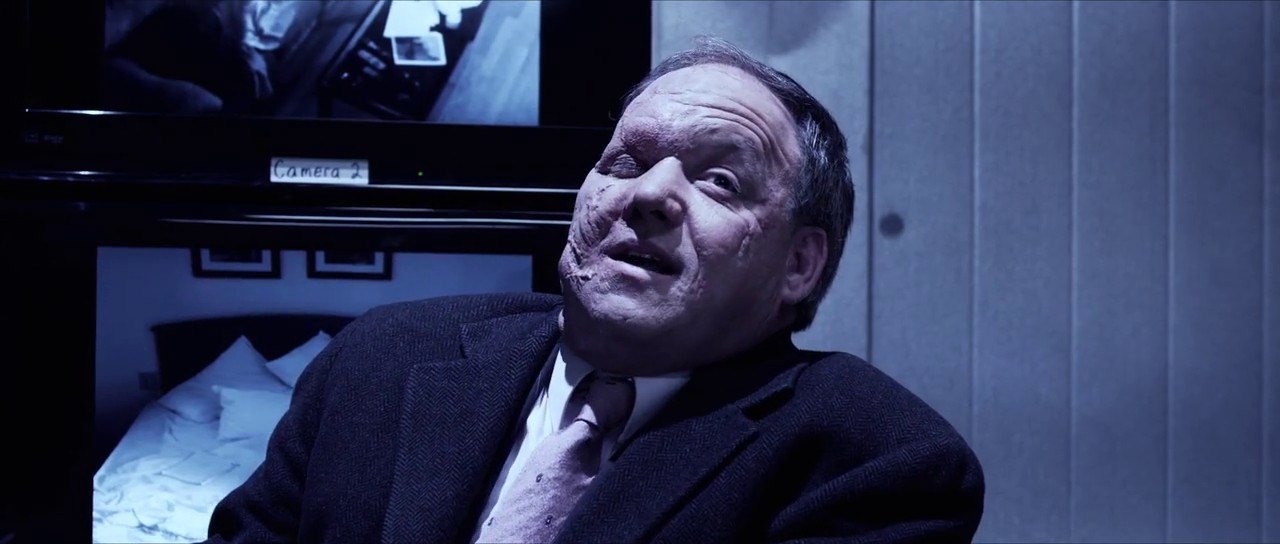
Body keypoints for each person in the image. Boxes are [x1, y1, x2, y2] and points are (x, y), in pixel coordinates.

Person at [204, 36, 985, 543]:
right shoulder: (380, 357)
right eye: (625, 161)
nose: (649, 194)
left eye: (720, 179)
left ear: (800, 265)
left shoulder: (875, 459)